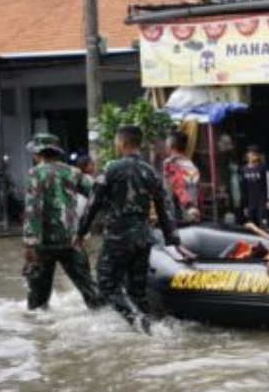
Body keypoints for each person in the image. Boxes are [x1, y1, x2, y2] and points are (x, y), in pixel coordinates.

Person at [75, 125, 182, 331]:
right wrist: (174, 241)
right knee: (137, 290)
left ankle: (136, 319)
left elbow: (93, 203)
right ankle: (146, 330)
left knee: (106, 283)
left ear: (122, 143)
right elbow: (165, 208)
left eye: (116, 142)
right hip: (143, 237)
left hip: (119, 236)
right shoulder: (151, 171)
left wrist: (80, 233)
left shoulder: (111, 168)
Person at [22, 133, 101, 311]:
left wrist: (29, 244)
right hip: (72, 241)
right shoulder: (74, 172)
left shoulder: (35, 173)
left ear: (38, 153)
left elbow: (32, 210)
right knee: (90, 291)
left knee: (38, 301)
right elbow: (97, 197)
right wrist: (85, 227)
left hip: (44, 244)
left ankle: (40, 333)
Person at [162, 131, 201, 224]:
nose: (165, 145)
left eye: (166, 142)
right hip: (193, 212)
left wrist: (189, 205)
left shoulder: (170, 162)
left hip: (178, 214)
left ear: (171, 145)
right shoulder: (190, 164)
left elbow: (177, 185)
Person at [238, 145, 269, 228]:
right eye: (250, 154)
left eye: (254, 154)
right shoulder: (243, 170)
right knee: (250, 225)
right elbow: (243, 188)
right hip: (250, 202)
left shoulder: (263, 168)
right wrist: (244, 205)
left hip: (262, 201)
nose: (251, 156)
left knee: (264, 223)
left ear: (258, 156)